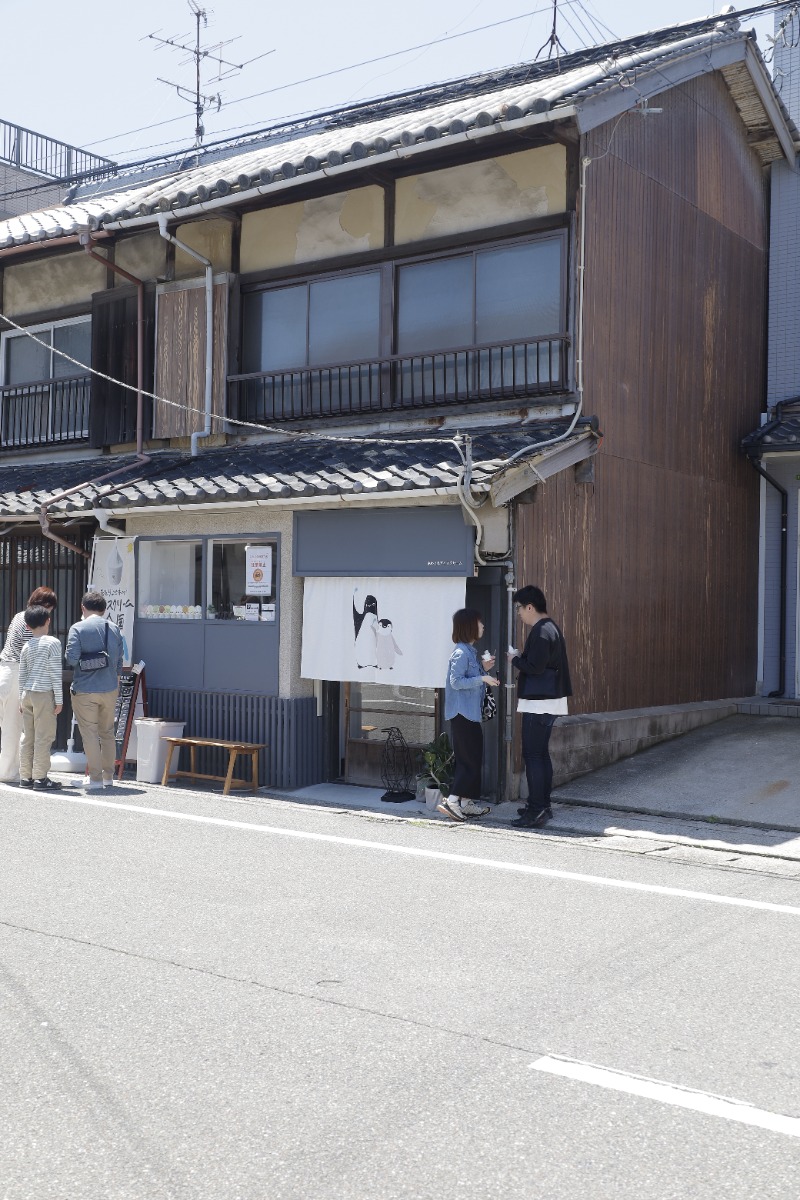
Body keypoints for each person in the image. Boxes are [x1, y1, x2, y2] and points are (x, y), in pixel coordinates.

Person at [507, 586, 572, 828]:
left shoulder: (542, 631)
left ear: (530, 607)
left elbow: (534, 666)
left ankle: (536, 810)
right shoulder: (550, 628)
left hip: (539, 701)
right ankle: (542, 805)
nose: (519, 614)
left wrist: (514, 659)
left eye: (519, 609)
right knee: (541, 754)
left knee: (533, 755)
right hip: (549, 699)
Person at [438, 608, 499, 822]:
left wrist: (483, 669)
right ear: (470, 626)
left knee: (473, 757)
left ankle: (465, 803)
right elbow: (455, 682)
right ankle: (453, 801)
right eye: (479, 623)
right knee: (468, 760)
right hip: (462, 713)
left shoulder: (470, 652)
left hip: (470, 714)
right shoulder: (460, 653)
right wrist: (482, 679)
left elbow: (468, 676)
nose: (483, 627)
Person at [65, 591, 124, 792]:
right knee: (107, 733)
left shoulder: (77, 628)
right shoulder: (114, 628)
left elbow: (71, 660)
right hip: (109, 688)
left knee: (89, 733)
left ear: (83, 607)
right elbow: (119, 660)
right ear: (104, 610)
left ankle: (95, 779)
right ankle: (109, 777)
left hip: (85, 689)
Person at [0, 586, 58, 783]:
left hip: (4, 671)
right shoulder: (33, 622)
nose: (50, 613)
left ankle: (14, 771)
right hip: (16, 674)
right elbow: (33, 655)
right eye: (50, 607)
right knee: (14, 727)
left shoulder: (19, 616)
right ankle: (9, 773)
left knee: (8, 726)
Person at [18, 605, 64, 791]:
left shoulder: (26, 646)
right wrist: (59, 700)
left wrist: (20, 699)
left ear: (27, 626)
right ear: (48, 621)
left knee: (28, 737)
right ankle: (40, 778)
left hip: (27, 694)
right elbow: (55, 673)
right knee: (43, 737)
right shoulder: (53, 643)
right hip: (43, 694)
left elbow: (22, 674)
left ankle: (25, 777)